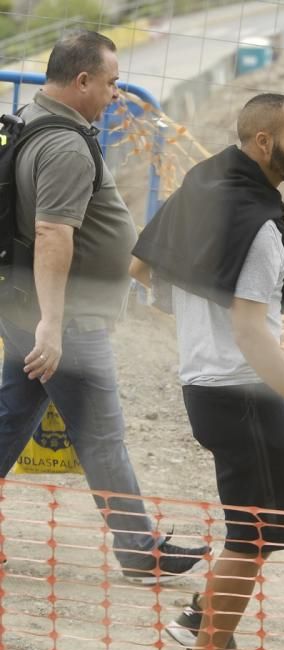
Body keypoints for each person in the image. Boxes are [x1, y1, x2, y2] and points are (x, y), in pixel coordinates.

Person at [130, 93, 284, 650]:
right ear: (262, 143)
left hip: (215, 388)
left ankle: (204, 614)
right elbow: (251, 332)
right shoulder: (258, 229)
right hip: (242, 393)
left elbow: (142, 270)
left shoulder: (205, 184)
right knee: (252, 539)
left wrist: (193, 326)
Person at [0, 30, 210, 584]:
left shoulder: (33, 118)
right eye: (112, 83)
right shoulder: (66, 144)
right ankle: (140, 548)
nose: (116, 94)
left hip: (32, 309)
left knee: (9, 419)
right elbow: (51, 232)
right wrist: (51, 323)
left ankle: (139, 545)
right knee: (100, 433)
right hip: (64, 316)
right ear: (83, 79)